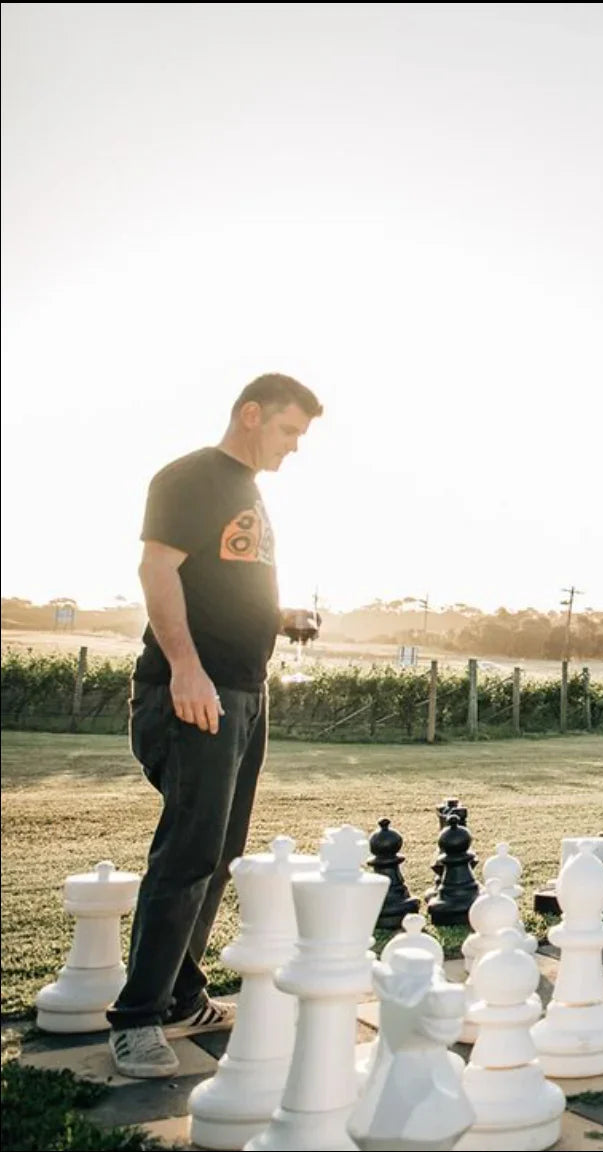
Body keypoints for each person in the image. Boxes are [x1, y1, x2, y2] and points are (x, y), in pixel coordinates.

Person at [107, 373, 323, 1078]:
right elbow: (157, 569)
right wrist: (186, 671)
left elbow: (225, 579)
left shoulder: (250, 493)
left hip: (243, 692)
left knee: (221, 854)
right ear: (252, 414)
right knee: (188, 853)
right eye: (289, 431)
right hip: (194, 692)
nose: (294, 449)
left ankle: (179, 991)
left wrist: (279, 616)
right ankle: (136, 1019)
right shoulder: (192, 477)